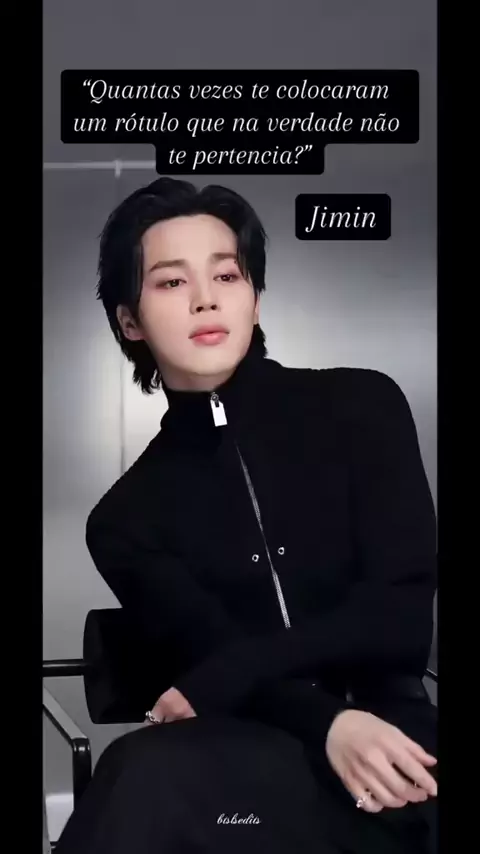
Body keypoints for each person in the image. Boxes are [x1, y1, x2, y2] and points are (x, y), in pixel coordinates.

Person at [56, 177, 438, 854]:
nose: (205, 298)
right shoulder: (124, 519)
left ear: (254, 298)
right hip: (252, 763)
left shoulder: (364, 406)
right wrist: (327, 724)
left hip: (402, 746)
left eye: (226, 275)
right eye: (171, 282)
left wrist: (229, 674)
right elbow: (208, 644)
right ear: (130, 321)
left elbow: (399, 618)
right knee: (143, 778)